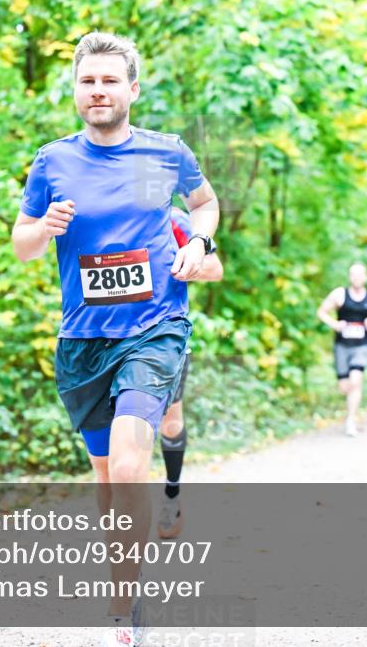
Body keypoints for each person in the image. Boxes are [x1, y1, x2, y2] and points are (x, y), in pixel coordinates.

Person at [11, 32, 219, 647]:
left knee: (130, 463)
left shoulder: (166, 152)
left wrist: (200, 244)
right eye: (86, 81)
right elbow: (22, 244)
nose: (96, 91)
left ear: (132, 88)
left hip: (155, 327)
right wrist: (42, 228)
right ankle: (122, 586)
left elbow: (204, 206)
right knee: (106, 476)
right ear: (75, 90)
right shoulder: (52, 160)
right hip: (83, 338)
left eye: (108, 81)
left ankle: (129, 614)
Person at [157, 206, 223, 540]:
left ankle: (171, 496)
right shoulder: (100, 208)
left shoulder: (173, 218)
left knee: (170, 420)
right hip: (106, 338)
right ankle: (124, 512)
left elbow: (215, 267)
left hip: (165, 336)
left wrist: (183, 265)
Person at [316, 263, 367, 437]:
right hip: (342, 345)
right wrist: (335, 324)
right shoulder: (339, 294)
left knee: (356, 380)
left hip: (362, 345)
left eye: (360, 275)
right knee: (345, 387)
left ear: (366, 277)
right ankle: (349, 410)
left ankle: (350, 420)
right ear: (349, 277)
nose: (357, 278)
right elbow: (322, 312)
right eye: (353, 274)